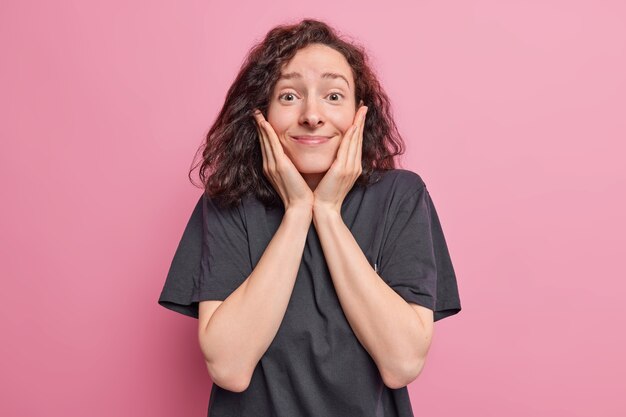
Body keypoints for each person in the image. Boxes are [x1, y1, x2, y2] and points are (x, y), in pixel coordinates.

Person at [158, 18, 462, 417]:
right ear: (259, 112)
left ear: (360, 113)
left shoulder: (400, 196)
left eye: (334, 96)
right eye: (288, 96)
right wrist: (299, 211)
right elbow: (229, 368)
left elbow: (402, 363)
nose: (312, 115)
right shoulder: (228, 202)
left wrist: (329, 212)